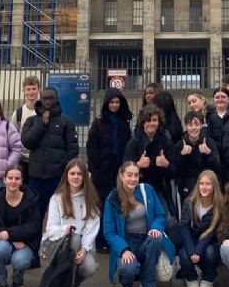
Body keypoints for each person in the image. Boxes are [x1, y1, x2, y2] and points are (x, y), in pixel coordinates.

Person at [103, 160, 175, 287]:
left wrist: (156, 227)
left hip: (145, 239)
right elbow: (109, 231)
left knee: (156, 239)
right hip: (127, 242)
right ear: (122, 176)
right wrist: (123, 250)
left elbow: (160, 215)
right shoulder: (113, 198)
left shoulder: (147, 190)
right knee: (128, 268)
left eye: (136, 175)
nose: (133, 179)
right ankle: (126, 282)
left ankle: (148, 285)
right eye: (129, 175)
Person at [21, 86, 79, 221]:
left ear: (56, 100)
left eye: (51, 98)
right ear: (40, 100)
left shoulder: (66, 122)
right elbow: (27, 142)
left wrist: (64, 169)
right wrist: (42, 123)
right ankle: (36, 240)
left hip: (57, 177)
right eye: (45, 98)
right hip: (36, 176)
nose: (47, 102)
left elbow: (72, 150)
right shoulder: (32, 121)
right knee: (35, 212)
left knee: (58, 212)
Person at [85, 87, 133, 250]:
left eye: (117, 102)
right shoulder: (98, 122)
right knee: (101, 206)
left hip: (118, 170)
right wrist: (96, 166)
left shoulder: (124, 123)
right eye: (111, 102)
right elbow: (91, 146)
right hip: (102, 171)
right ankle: (100, 240)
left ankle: (116, 238)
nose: (114, 105)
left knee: (118, 205)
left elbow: (128, 145)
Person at [42, 159, 100, 287]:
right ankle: (65, 286)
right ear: (66, 176)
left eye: (79, 174)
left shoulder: (91, 198)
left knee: (90, 267)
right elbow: (50, 230)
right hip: (59, 244)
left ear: (85, 176)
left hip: (82, 246)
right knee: (74, 238)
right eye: (72, 173)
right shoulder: (57, 198)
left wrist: (84, 249)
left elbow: (92, 227)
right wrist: (65, 230)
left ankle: (71, 284)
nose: (76, 177)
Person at [0, 165, 40, 287]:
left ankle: (18, 277)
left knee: (20, 261)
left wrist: (10, 234)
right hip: (3, 241)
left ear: (22, 181)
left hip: (25, 243)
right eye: (10, 178)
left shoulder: (31, 199)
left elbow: (34, 226)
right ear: (4, 179)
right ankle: (1, 279)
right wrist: (10, 238)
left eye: (17, 178)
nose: (13, 181)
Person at [124, 103, 175, 215]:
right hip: (138, 188)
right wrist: (137, 165)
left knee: (164, 221)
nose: (151, 123)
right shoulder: (134, 142)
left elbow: (174, 170)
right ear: (143, 122)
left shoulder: (165, 141)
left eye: (154, 120)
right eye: (148, 120)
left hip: (159, 189)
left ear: (159, 122)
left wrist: (166, 164)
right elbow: (124, 169)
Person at [178, 169, 222, 287]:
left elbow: (212, 232)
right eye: (202, 184)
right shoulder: (189, 202)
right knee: (184, 255)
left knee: (210, 253)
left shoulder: (219, 205)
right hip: (191, 240)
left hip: (209, 242)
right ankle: (190, 275)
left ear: (214, 186)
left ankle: (209, 275)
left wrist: (198, 251)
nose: (204, 187)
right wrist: (193, 250)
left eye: (208, 184)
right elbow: (184, 227)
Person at [173, 110, 221, 201]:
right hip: (187, 189)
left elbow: (218, 167)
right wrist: (182, 155)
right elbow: (175, 170)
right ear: (186, 126)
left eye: (197, 124)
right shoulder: (180, 144)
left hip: (207, 188)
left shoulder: (209, 142)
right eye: (190, 125)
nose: (194, 128)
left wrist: (208, 153)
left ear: (201, 125)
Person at [12, 76, 40, 180]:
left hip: (39, 160)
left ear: (39, 89)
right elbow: (12, 136)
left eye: (34, 89)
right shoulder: (18, 113)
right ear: (23, 90)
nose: (31, 92)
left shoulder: (44, 113)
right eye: (28, 89)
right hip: (22, 160)